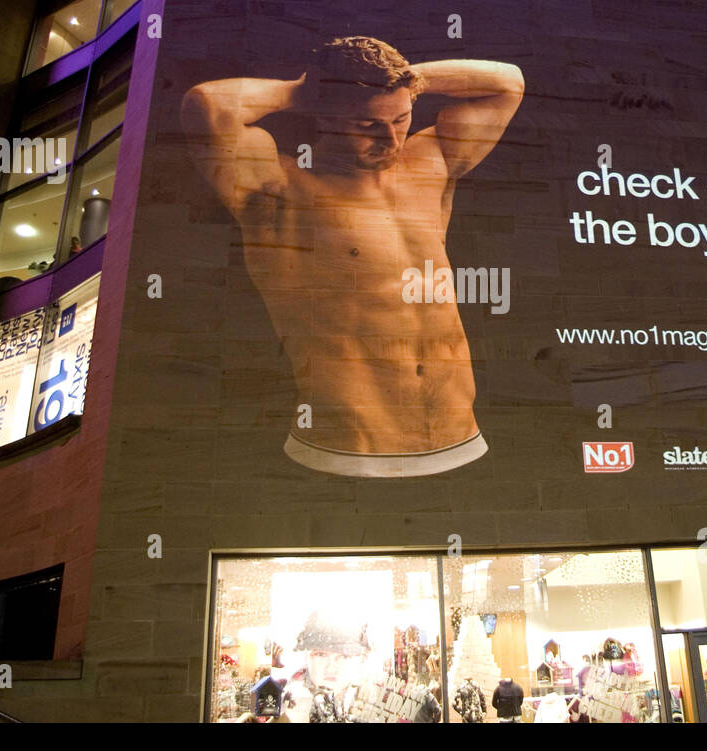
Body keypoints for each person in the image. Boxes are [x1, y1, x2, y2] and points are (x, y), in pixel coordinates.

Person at [182, 37, 524, 477]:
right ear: (323, 116)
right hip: (346, 454)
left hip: (462, 441)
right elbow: (206, 105)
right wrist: (305, 88)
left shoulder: (430, 162)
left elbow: (507, 83)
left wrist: (404, 82)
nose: (391, 138)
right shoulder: (280, 187)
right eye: (367, 125)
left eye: (401, 119)